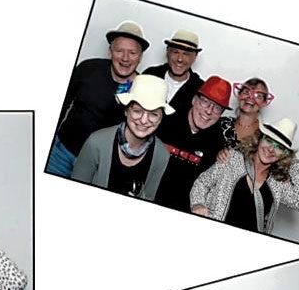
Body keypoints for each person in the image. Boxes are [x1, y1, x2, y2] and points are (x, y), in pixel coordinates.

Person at [46, 21, 150, 177]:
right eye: (119, 50)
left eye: (132, 53)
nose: (125, 58)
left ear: (140, 57)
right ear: (110, 52)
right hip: (60, 154)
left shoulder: (143, 89)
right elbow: (61, 105)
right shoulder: (87, 69)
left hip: (98, 165)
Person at [190, 117, 299, 233]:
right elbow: (202, 183)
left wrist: (294, 161)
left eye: (279, 147)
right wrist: (197, 204)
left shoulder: (278, 183)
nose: (270, 149)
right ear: (260, 139)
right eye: (269, 140)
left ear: (284, 154)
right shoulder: (232, 159)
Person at [70, 74, 174, 197]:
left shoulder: (162, 155)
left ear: (161, 118)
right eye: (137, 111)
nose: (144, 120)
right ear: (126, 110)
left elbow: (149, 198)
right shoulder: (96, 143)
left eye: (153, 114)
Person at [148, 76, 231, 212]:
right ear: (194, 100)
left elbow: (206, 186)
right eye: (205, 102)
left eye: (217, 108)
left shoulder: (217, 141)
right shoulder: (166, 122)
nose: (209, 111)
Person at [142, 30, 205, 114]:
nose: (180, 59)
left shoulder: (200, 89)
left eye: (186, 54)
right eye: (175, 52)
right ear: (167, 51)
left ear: (195, 56)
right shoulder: (150, 75)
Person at [218, 78, 274, 150]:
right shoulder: (221, 123)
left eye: (258, 96)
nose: (251, 98)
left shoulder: (267, 134)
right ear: (239, 95)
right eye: (246, 92)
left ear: (264, 103)